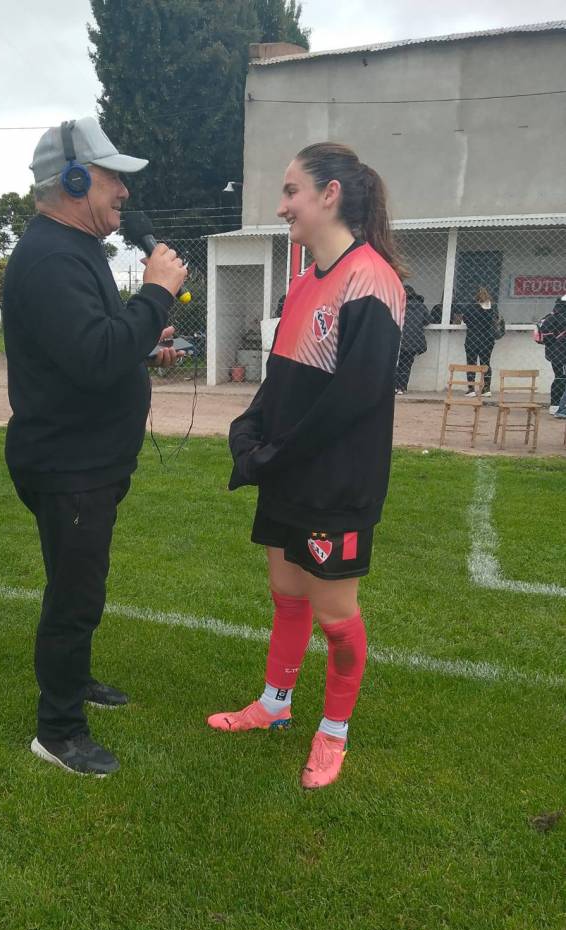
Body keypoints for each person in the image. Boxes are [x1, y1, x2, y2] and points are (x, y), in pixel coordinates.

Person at [206, 142, 405, 789]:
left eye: (292, 190)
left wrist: (277, 453)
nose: (282, 204)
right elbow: (282, 381)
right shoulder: (300, 284)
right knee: (287, 596)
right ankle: (274, 705)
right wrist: (249, 429)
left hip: (334, 485)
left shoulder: (372, 278)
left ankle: (334, 732)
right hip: (288, 473)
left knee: (335, 616)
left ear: (330, 196)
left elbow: (355, 397)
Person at [3, 117, 187, 777]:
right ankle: (58, 730)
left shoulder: (72, 250)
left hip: (85, 460)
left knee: (76, 585)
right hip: (68, 464)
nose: (125, 193)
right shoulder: (52, 256)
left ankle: (73, 682)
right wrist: (158, 292)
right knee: (75, 598)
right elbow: (96, 356)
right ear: (75, 179)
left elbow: (101, 341)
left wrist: (144, 332)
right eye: (114, 177)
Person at [462, 287, 499, 396]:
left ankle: (471, 389)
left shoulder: (471, 306)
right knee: (486, 363)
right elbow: (496, 320)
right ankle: (486, 389)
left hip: (472, 338)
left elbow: (466, 320)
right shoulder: (493, 306)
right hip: (488, 339)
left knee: (471, 363)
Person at [534, 294, 566, 415]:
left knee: (559, 377)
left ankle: (555, 405)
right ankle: (557, 406)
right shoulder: (562, 317)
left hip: (554, 353)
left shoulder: (551, 316)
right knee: (561, 378)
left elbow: (547, 337)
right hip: (562, 353)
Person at [395, 284, 430, 394]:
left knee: (397, 364)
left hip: (399, 340)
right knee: (407, 364)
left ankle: (396, 387)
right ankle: (402, 387)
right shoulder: (421, 306)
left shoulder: (399, 306)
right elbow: (428, 320)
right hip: (414, 341)